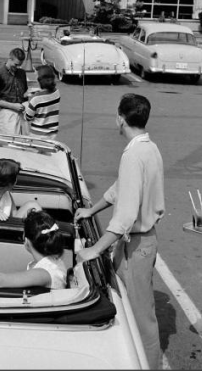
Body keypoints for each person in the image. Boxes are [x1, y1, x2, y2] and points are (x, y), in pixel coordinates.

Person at [74, 93, 164, 370]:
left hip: (136, 244)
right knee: (129, 308)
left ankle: (149, 365)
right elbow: (120, 187)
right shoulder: (149, 148)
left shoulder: (133, 154)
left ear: (120, 119)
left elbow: (125, 217)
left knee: (140, 318)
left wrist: (94, 249)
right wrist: (92, 210)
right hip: (138, 242)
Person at [0, 47, 29, 135]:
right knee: (10, 143)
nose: (18, 67)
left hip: (22, 113)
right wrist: (13, 106)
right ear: (10, 59)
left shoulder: (22, 73)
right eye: (16, 64)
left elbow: (24, 93)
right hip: (6, 114)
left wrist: (30, 94)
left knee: (24, 143)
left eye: (20, 65)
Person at [23, 65, 60, 140]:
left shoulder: (35, 99)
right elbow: (46, 97)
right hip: (52, 133)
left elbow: (28, 117)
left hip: (37, 135)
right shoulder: (57, 92)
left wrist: (27, 103)